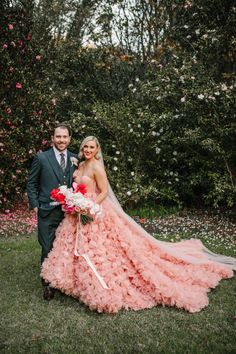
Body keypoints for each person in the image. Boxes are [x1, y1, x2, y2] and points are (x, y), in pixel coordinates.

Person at [41, 136, 236, 313]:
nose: (88, 150)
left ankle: (101, 283)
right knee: (74, 247)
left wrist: (89, 206)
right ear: (82, 149)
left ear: (97, 149)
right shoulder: (81, 163)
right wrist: (75, 200)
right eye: (86, 147)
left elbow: (103, 192)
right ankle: (74, 282)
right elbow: (77, 186)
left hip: (94, 211)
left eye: (92, 147)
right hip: (77, 211)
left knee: (101, 250)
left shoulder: (97, 167)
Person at [27, 122, 78, 300]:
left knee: (65, 248)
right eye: (58, 136)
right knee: (47, 246)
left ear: (69, 139)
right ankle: (47, 284)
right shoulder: (41, 158)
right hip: (46, 211)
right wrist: (35, 205)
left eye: (65, 137)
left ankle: (63, 282)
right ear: (52, 138)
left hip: (68, 213)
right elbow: (31, 183)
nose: (61, 140)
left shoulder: (75, 158)